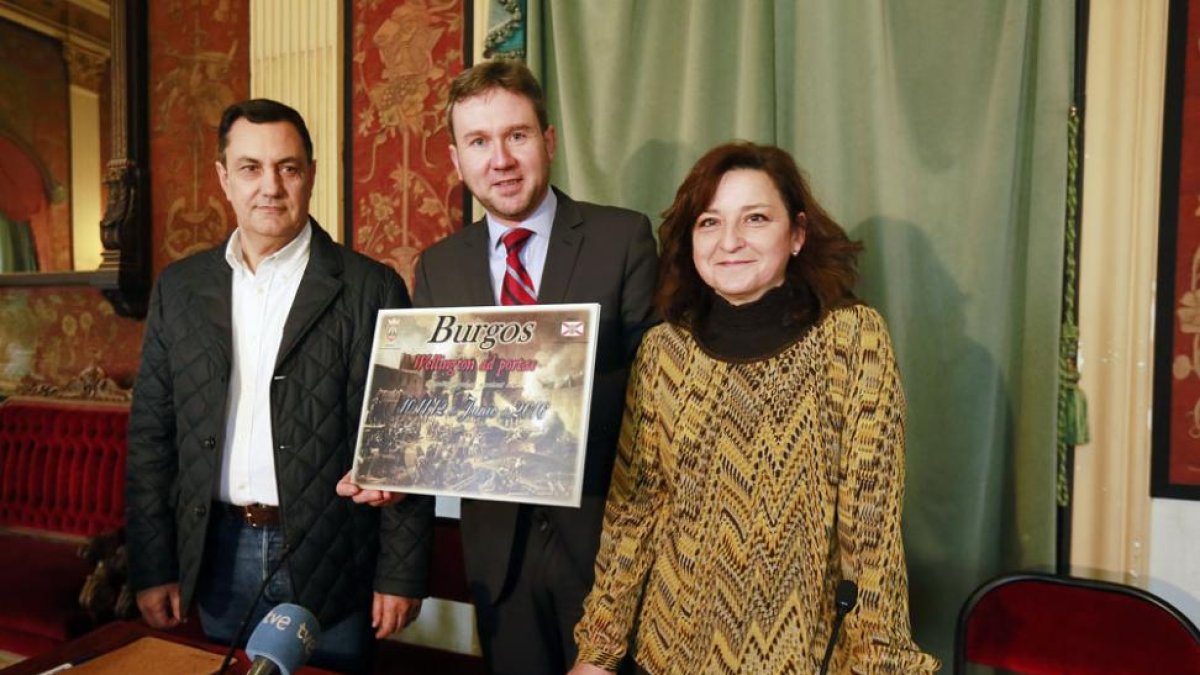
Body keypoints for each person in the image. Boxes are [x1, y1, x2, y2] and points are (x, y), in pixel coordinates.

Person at [570, 142, 940, 674]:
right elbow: (636, 513)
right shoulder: (663, 353)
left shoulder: (853, 339)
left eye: (756, 219)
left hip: (804, 656)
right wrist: (598, 654)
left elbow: (871, 529)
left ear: (798, 234)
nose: (730, 242)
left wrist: (880, 663)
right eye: (709, 222)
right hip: (669, 654)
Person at [358, 60, 658, 675]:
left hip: (604, 547)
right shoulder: (439, 267)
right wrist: (392, 465)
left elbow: (653, 393)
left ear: (548, 140)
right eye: (479, 141)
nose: (501, 159)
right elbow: (432, 401)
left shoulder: (621, 238)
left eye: (517, 135)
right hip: (497, 556)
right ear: (456, 158)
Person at [125, 98, 433, 674]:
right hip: (215, 554)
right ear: (223, 178)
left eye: (287, 168)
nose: (270, 185)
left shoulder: (372, 288)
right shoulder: (180, 288)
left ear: (310, 174)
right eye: (250, 168)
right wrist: (152, 562)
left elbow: (405, 441)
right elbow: (151, 438)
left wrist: (401, 572)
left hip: (329, 554)